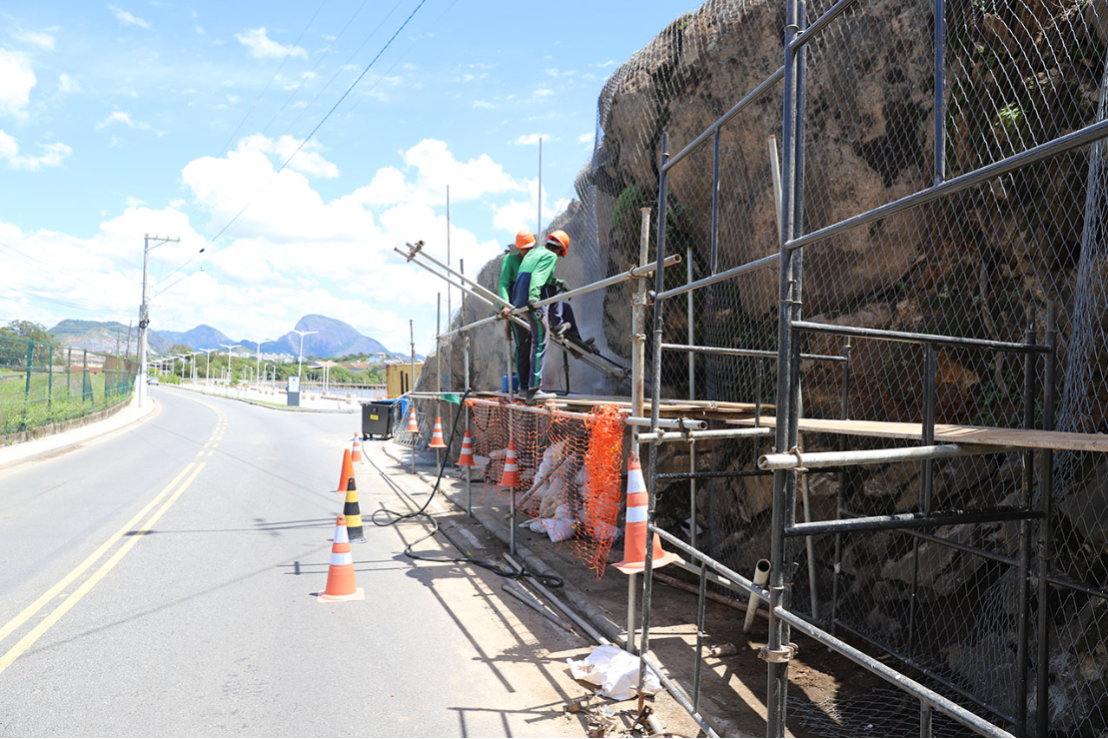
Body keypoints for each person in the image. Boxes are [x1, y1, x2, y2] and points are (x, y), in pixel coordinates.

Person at [511, 230, 570, 402]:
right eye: (560, 255)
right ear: (560, 250)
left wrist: (558, 282)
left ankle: (526, 388)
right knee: (540, 342)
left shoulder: (534, 253)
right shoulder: (551, 257)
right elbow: (537, 277)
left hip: (518, 301)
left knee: (530, 344)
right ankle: (534, 389)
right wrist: (535, 298)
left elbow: (539, 276)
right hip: (532, 303)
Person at [499, 230, 536, 397]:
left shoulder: (535, 260)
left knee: (538, 343)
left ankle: (535, 383)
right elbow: (504, 283)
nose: (526, 253)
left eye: (529, 249)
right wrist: (506, 306)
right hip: (516, 307)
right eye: (523, 249)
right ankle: (524, 385)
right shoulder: (510, 260)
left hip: (533, 306)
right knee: (523, 345)